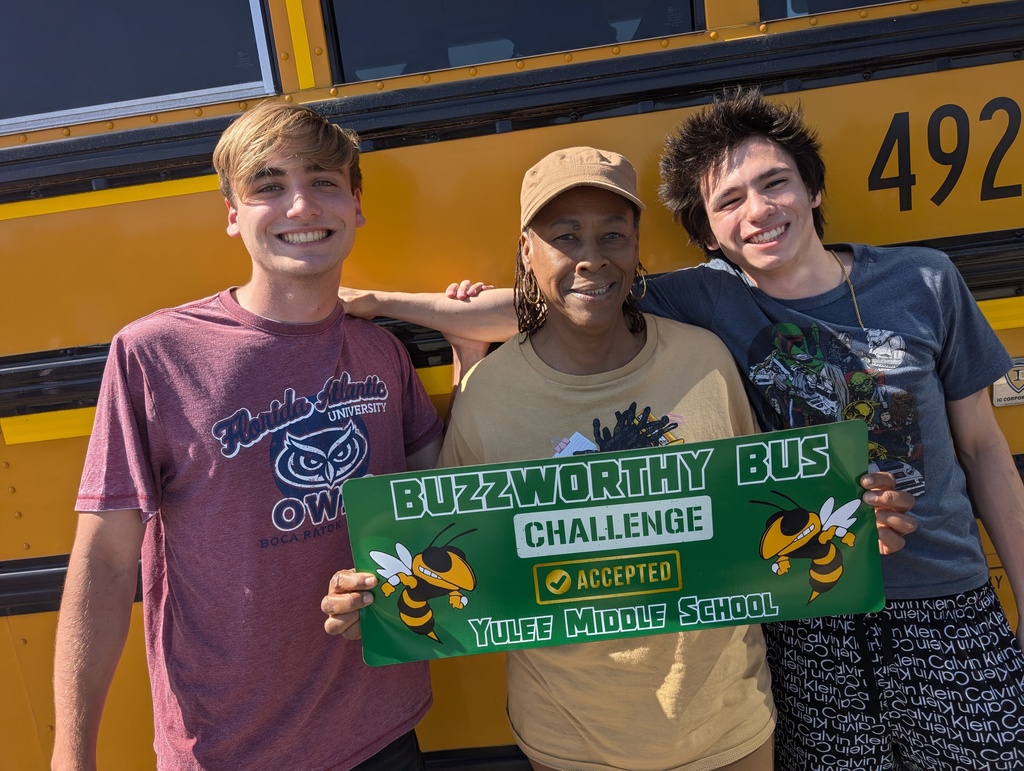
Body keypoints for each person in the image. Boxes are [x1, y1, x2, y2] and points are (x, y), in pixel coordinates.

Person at [338, 88, 1024, 769]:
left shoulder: (924, 281)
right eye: (729, 202)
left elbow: (986, 449)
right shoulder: (710, 299)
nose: (758, 211)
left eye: (775, 183)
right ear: (708, 232)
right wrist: (378, 303)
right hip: (811, 617)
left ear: (813, 189)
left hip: (947, 600)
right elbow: (552, 301)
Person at [327, 146, 777, 770]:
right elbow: (454, 551)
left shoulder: (705, 361)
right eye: (564, 236)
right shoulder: (490, 393)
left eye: (613, 234)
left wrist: (852, 515)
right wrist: (375, 600)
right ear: (526, 251)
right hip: (571, 743)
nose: (592, 257)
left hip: (729, 726)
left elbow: (759, 511)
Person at [52, 101, 444, 770]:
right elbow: (107, 562)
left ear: (356, 205)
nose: (300, 206)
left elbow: (441, 507)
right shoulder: (157, 354)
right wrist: (72, 752)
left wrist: (465, 345)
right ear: (232, 214)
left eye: (323, 181)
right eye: (268, 185)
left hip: (381, 734)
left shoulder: (382, 354)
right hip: (230, 748)